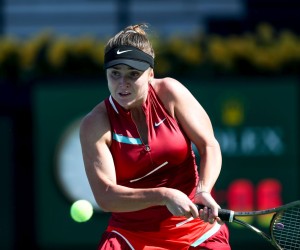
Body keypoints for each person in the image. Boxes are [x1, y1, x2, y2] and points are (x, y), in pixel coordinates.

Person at [79, 23, 230, 250]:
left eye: (133, 74)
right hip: (131, 236)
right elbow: (106, 196)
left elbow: (209, 145)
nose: (123, 84)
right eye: (115, 74)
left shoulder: (170, 93)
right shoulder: (95, 123)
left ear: (150, 74)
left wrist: (203, 190)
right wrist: (163, 195)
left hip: (197, 230)